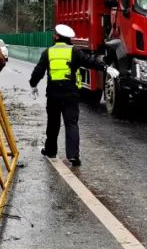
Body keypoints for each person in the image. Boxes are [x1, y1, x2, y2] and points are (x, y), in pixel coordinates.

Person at [29, 24, 117, 167]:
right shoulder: (75, 52)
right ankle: (73, 156)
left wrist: (33, 85)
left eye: (54, 34)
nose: (53, 36)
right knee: (71, 124)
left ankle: (50, 150)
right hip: (70, 94)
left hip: (53, 95)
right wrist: (106, 68)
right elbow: (90, 62)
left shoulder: (48, 52)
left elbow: (38, 71)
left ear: (57, 37)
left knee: (53, 124)